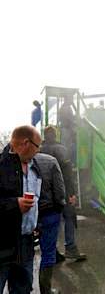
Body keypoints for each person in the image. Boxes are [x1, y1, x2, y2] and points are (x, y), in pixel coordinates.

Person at [0, 125, 42, 293]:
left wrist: (36, 226)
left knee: (23, 289)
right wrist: (14, 204)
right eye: (38, 146)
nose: (39, 151)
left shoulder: (35, 167)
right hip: (3, 243)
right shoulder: (2, 165)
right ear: (26, 143)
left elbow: (38, 200)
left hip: (26, 244)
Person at [40, 126, 86, 261]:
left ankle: (52, 252)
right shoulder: (61, 149)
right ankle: (70, 248)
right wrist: (72, 193)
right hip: (62, 190)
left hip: (45, 193)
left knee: (51, 222)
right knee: (69, 218)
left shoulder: (39, 150)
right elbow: (67, 173)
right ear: (55, 135)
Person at [35, 152, 65, 294]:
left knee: (24, 254)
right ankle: (45, 291)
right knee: (48, 253)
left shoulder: (16, 160)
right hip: (49, 213)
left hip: (26, 212)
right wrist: (60, 206)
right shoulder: (51, 161)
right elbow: (59, 189)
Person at [59, 98, 76, 164]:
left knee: (65, 145)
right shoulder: (67, 108)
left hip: (64, 128)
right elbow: (70, 118)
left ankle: (65, 160)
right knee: (67, 146)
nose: (72, 101)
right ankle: (68, 162)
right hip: (67, 129)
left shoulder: (62, 107)